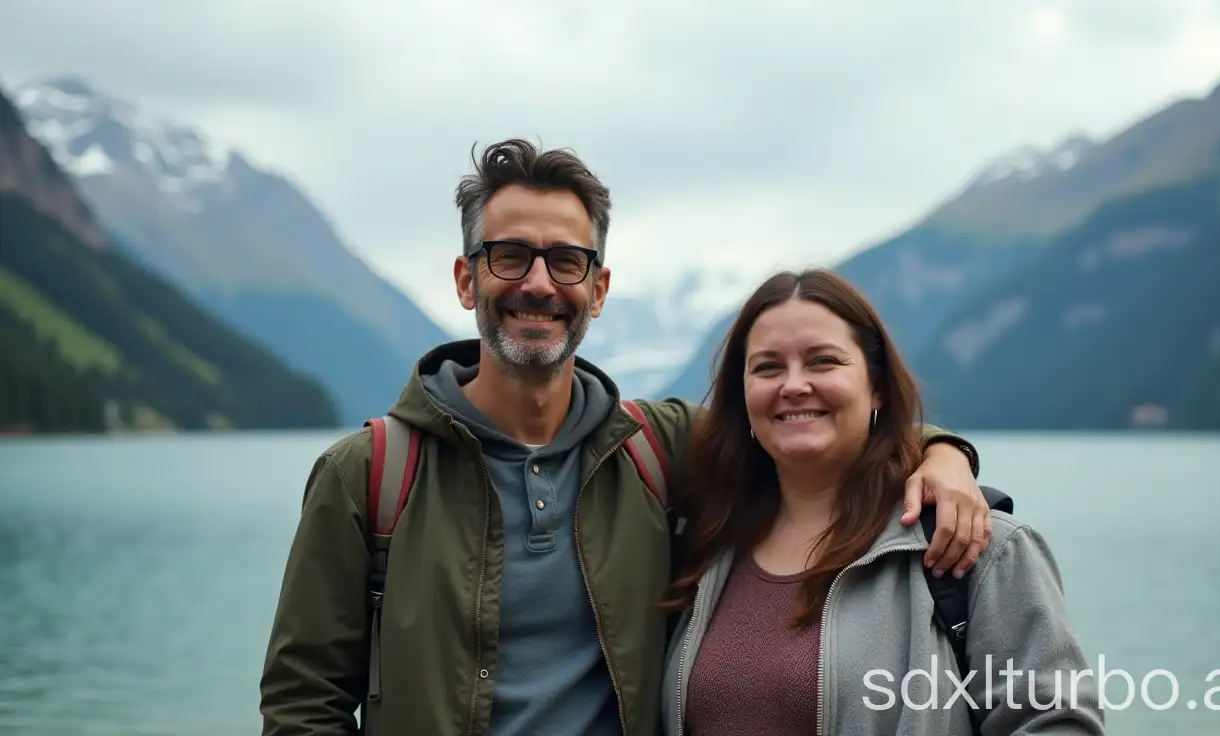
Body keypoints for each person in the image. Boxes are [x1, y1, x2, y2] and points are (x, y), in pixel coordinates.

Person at [259, 139, 996, 736]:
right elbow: (302, 706)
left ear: (599, 289)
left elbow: (808, 424)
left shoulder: (654, 446)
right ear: (466, 279)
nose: (540, 284)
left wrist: (942, 454)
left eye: (567, 260)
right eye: (509, 256)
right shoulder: (369, 474)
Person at [658, 268, 1104, 735]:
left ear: (876, 389)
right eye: (768, 367)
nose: (793, 385)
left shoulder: (974, 546)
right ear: (743, 395)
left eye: (823, 361)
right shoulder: (701, 547)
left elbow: (1057, 724)